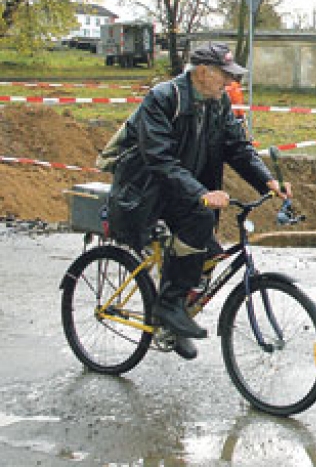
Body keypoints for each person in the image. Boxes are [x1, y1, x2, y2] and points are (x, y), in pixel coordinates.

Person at [106, 42, 290, 360]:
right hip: (146, 193)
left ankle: (176, 319)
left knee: (212, 257)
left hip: (181, 190)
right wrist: (202, 194)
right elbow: (159, 160)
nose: (230, 83)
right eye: (225, 76)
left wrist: (268, 180)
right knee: (200, 222)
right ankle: (167, 306)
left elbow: (238, 147)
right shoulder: (163, 99)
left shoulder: (216, 104)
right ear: (203, 72)